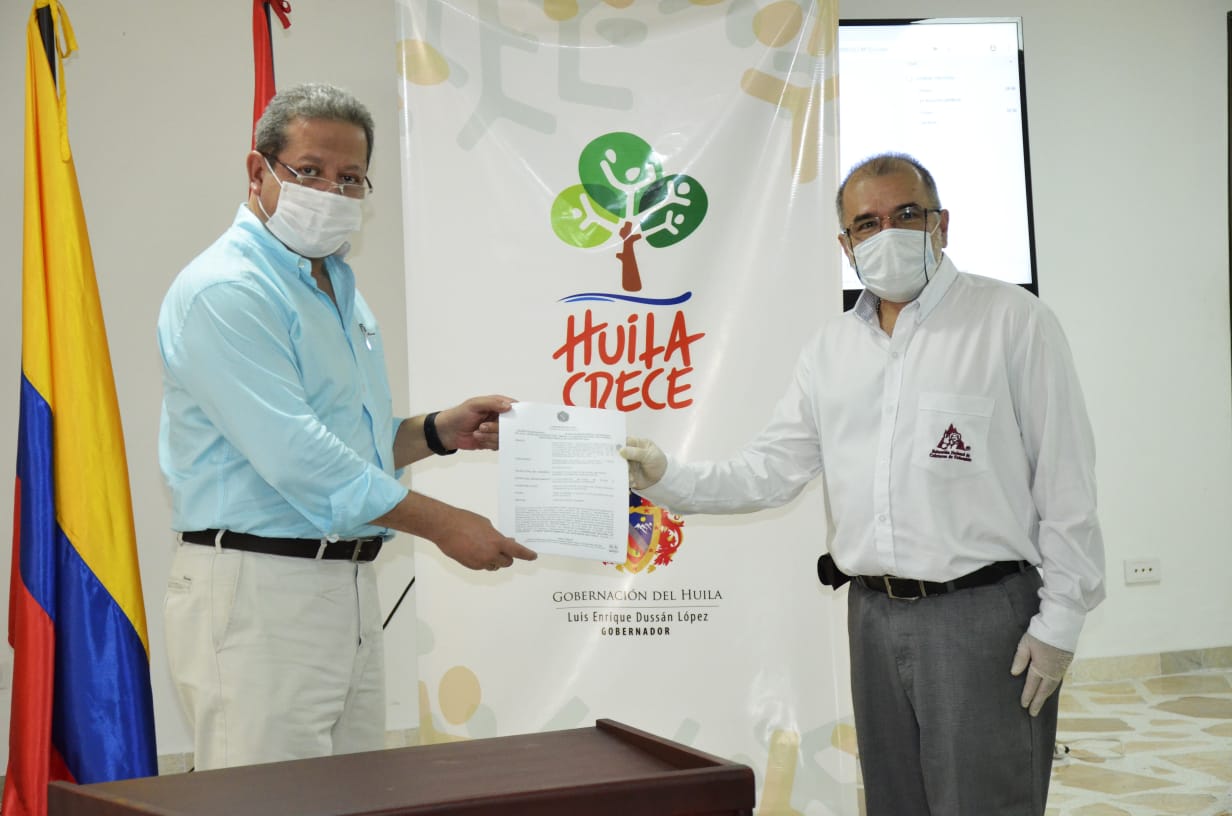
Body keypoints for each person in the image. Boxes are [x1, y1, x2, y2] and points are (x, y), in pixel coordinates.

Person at [622, 153, 1105, 816]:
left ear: (941, 225)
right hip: (872, 617)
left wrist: (1062, 622)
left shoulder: (1012, 322)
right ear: (846, 245)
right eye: (867, 223)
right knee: (894, 804)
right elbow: (770, 469)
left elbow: (1067, 481)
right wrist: (667, 478)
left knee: (984, 804)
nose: (888, 233)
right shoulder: (831, 350)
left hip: (981, 620)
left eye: (906, 214)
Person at [158, 82, 537, 770]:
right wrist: (446, 524)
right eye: (309, 170)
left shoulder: (337, 287)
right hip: (259, 591)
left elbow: (345, 445)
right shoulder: (229, 290)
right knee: (271, 802)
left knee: (356, 795)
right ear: (257, 171)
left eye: (351, 177)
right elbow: (300, 458)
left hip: (347, 586)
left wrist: (435, 431)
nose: (331, 191)